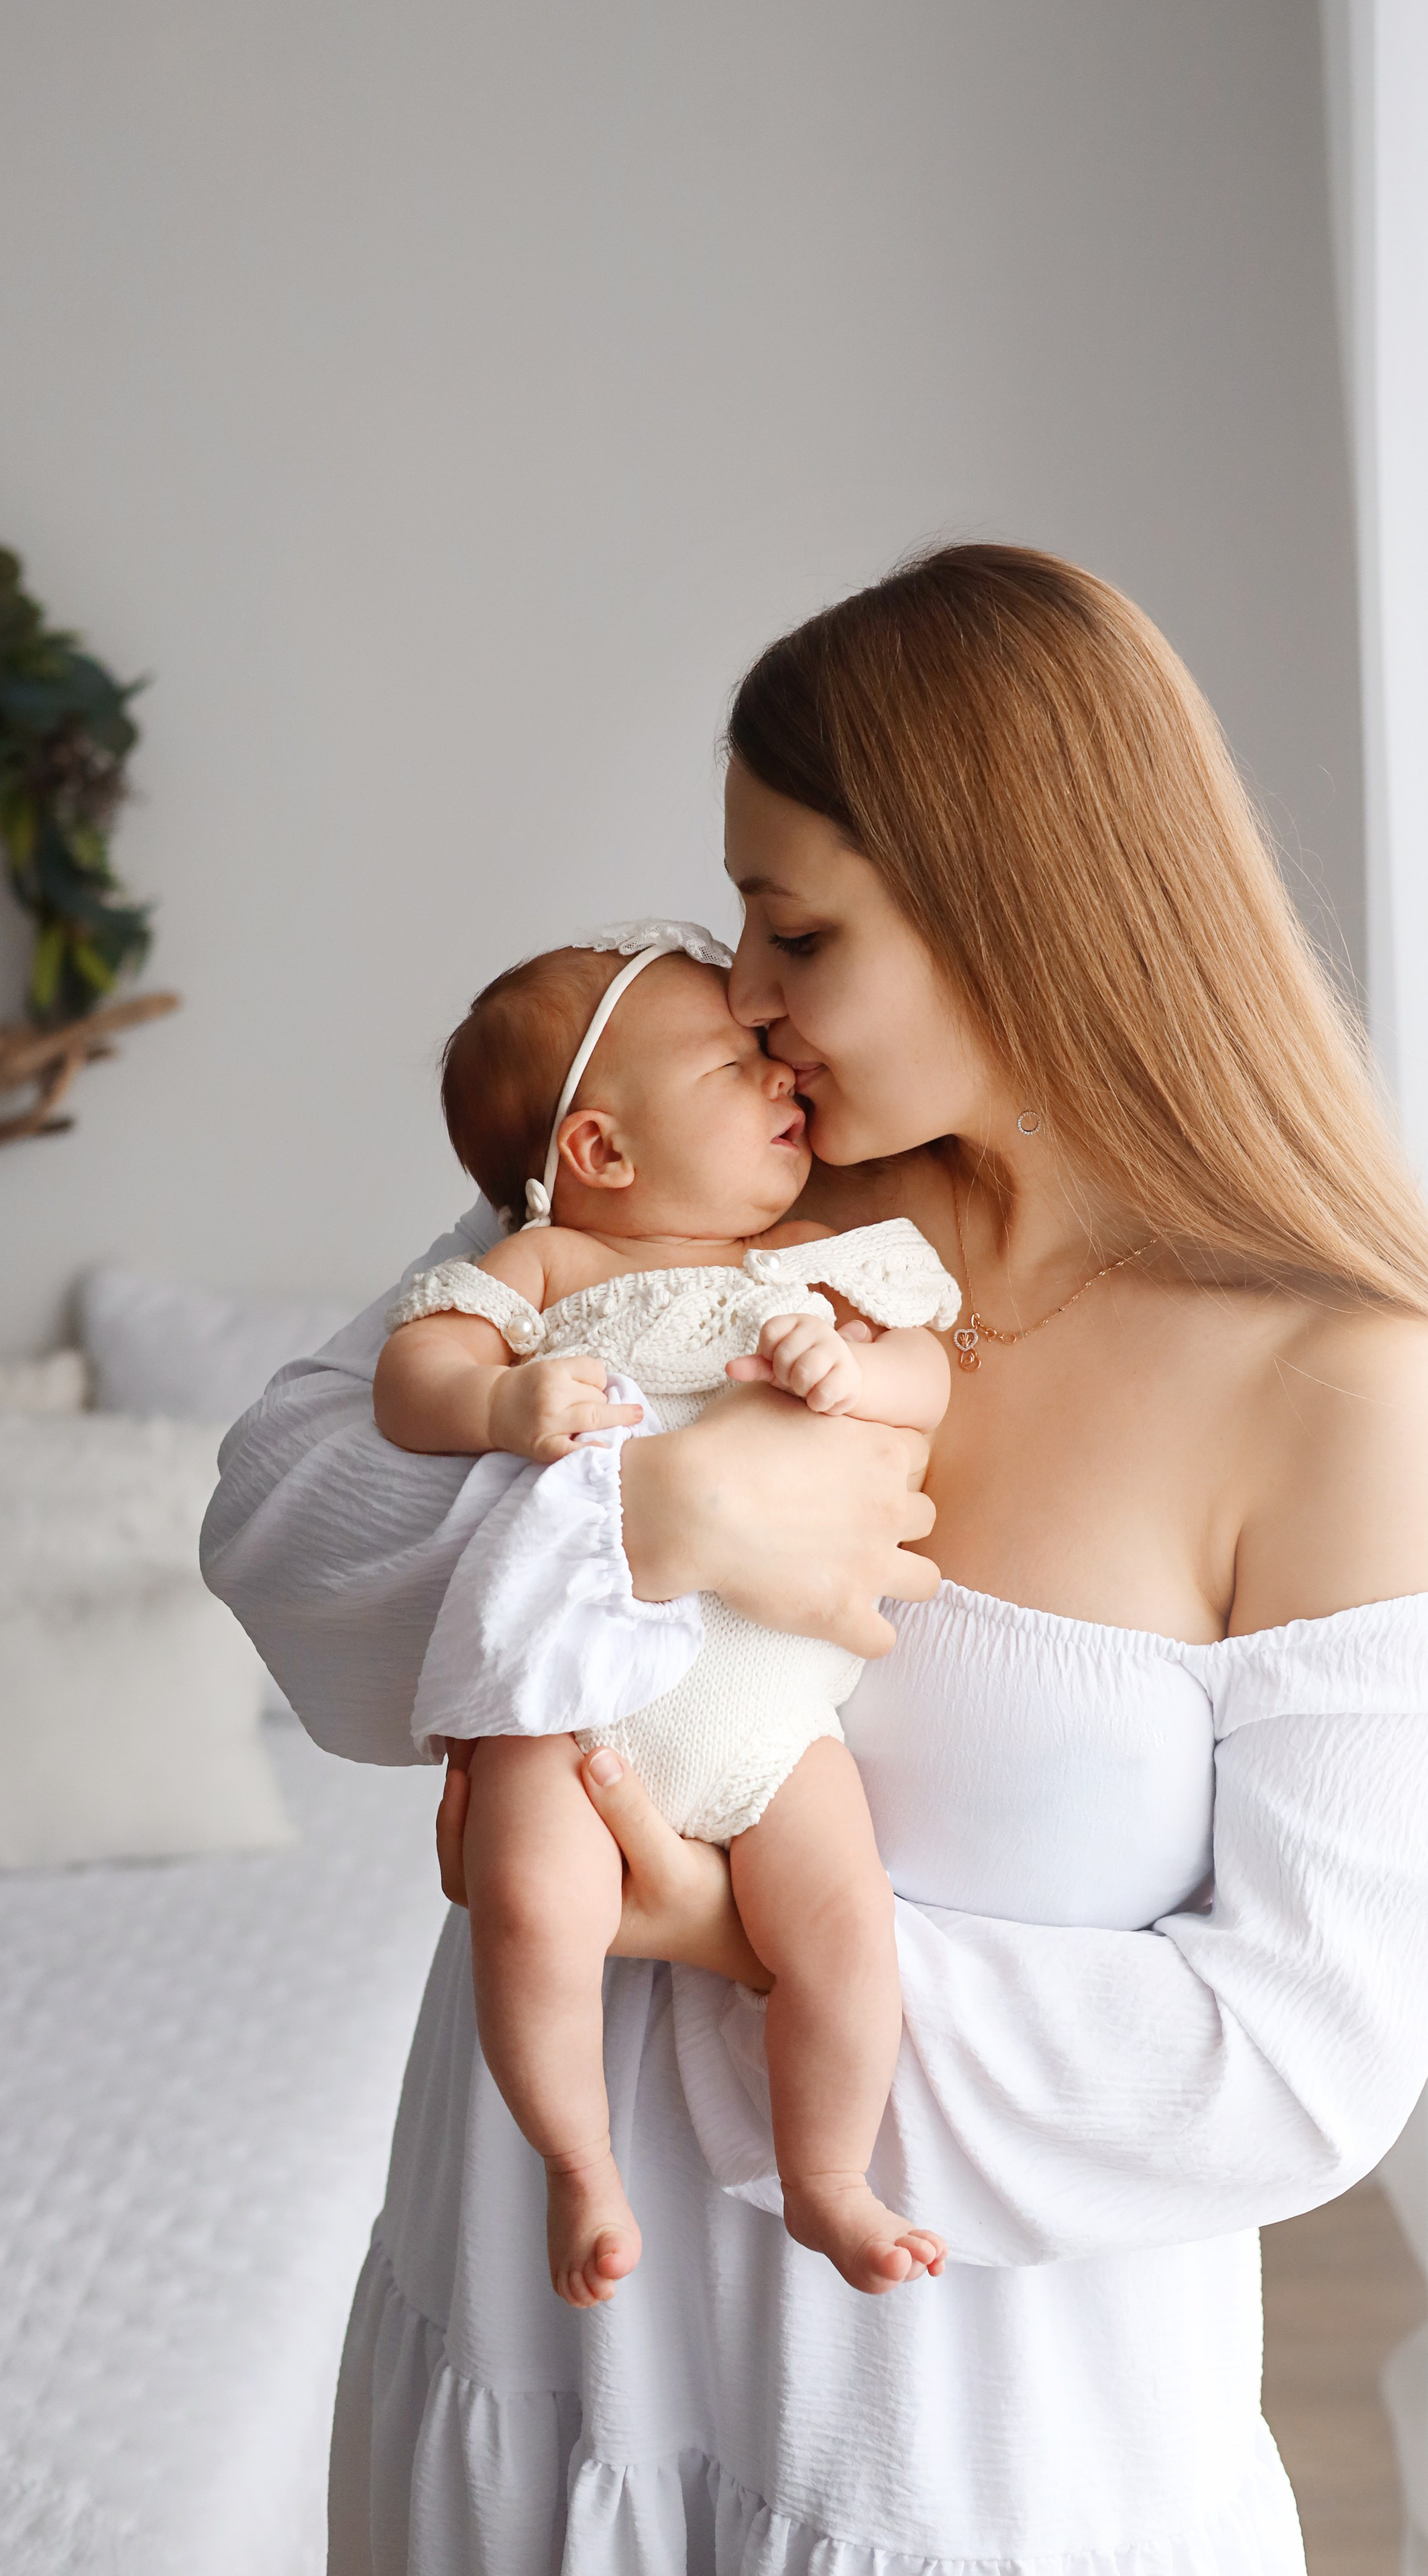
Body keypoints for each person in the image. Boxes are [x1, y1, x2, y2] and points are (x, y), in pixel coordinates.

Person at [203, 544, 1428, 2576]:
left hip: (949, 2474)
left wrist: (742, 1937)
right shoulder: (734, 1186)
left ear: (1018, 916)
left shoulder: (1349, 1392)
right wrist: (654, 1520)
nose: (735, 993)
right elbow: (283, 1531)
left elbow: (1301, 2066)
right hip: (520, 2400)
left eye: (792, 928)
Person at [374, 926, 954, 2306]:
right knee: (523, 1912)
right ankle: (581, 2165)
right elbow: (411, 1376)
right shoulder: (549, 1269)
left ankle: (827, 2178)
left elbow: (927, 1379)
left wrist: (852, 1374)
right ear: (602, 1151)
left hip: (765, 1720)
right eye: (732, 1064)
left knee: (843, 1931)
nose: (779, 1079)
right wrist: (495, 1401)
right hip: (570, 1698)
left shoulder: (813, 1262)